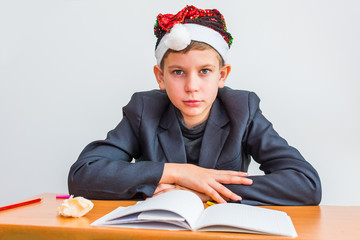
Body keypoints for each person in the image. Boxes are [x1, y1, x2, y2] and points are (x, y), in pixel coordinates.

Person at [68, 5, 321, 205]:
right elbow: (83, 175)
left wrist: (203, 188)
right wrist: (177, 172)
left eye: (204, 71)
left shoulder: (242, 109)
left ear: (222, 75)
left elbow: (305, 183)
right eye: (178, 72)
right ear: (160, 77)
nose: (191, 86)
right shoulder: (144, 110)